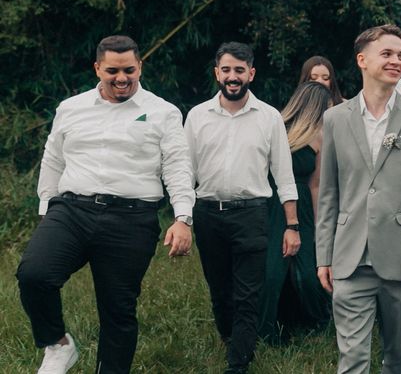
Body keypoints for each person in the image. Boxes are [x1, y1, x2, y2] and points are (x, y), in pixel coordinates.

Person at [16, 35, 194, 374]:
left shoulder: (163, 112)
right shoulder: (71, 108)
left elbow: (177, 165)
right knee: (34, 275)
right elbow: (52, 159)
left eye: (129, 69)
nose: (122, 78)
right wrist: (46, 211)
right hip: (71, 210)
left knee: (118, 310)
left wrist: (182, 217)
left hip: (131, 218)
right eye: (113, 70)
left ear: (140, 66)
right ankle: (57, 344)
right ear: (98, 68)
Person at [315, 24, 401, 374]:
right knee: (352, 359)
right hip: (349, 258)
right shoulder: (335, 119)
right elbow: (328, 194)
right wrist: (323, 255)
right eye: (387, 54)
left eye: (400, 56)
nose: (396, 61)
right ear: (362, 60)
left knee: (399, 358)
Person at [185, 42, 300, 374]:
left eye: (239, 70)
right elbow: (185, 172)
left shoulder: (269, 118)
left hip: (251, 214)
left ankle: (238, 363)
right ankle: (230, 337)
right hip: (207, 213)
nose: (232, 77)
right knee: (221, 292)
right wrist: (183, 218)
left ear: (251, 73)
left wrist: (292, 225)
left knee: (248, 293)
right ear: (216, 73)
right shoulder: (196, 117)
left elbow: (284, 174)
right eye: (226, 70)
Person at [258, 82, 334, 343]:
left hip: (301, 206)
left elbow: (315, 184)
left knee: (308, 272)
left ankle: (316, 321)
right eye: (327, 108)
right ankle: (267, 329)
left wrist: (317, 225)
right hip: (271, 205)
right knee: (271, 270)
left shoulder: (321, 136)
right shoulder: (274, 125)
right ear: (314, 106)